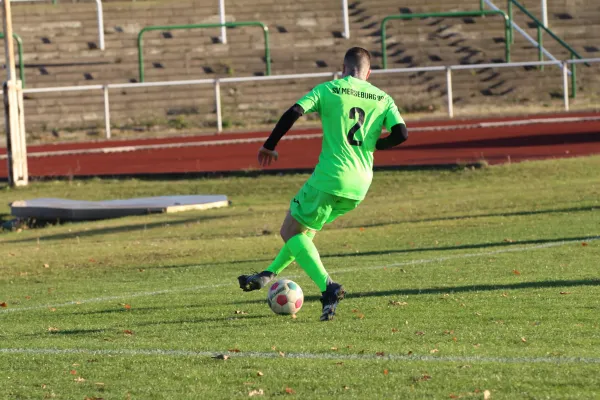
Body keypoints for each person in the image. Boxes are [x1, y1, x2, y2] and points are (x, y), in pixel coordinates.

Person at [238, 47, 409, 321]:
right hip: (360, 184)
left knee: (289, 230)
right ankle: (266, 275)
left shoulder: (329, 89)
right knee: (303, 232)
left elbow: (294, 111)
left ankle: (328, 288)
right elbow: (401, 134)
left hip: (331, 176)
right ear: (369, 72)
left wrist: (269, 145)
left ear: (343, 68)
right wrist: (376, 144)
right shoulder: (383, 97)